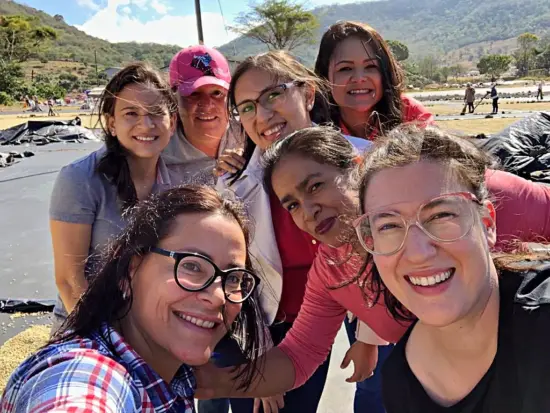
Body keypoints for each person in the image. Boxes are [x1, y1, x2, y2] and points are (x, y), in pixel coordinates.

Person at [194, 125, 550, 408]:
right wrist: (210, 381)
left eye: (316, 186)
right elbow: (299, 355)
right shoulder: (334, 270)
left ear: (356, 168)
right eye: (293, 205)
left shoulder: (468, 197)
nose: (308, 211)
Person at [1, 186, 266, 412]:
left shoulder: (173, 372)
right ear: (132, 269)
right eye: (192, 266)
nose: (218, 296)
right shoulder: (86, 375)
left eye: (233, 278)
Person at [208, 52, 368, 413]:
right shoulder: (234, 187)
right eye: (246, 107)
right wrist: (262, 359)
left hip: (316, 330)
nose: (262, 115)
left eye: (272, 95)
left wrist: (368, 333)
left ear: (308, 94)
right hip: (263, 332)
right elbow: (235, 281)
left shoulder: (364, 162)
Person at [353, 125, 550, 412]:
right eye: (390, 226)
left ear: (487, 224)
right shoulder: (400, 377)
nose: (419, 253)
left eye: (442, 215)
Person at [49, 62, 182, 333]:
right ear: (111, 124)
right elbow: (69, 280)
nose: (146, 124)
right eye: (131, 113)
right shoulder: (80, 179)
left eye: (156, 113)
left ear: (173, 122)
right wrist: (107, 342)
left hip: (149, 328)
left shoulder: (176, 184)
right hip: (87, 327)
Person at [314, 21, 434, 140]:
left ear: (385, 72)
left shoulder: (411, 115)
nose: (359, 78)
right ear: (324, 77)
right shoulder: (312, 125)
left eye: (370, 66)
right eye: (345, 68)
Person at [163, 45, 244, 184]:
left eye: (217, 93)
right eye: (193, 93)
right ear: (173, 98)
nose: (207, 104)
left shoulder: (251, 133)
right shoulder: (159, 151)